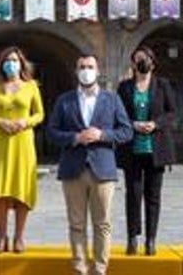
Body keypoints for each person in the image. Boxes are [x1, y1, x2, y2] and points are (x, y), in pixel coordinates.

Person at [47, 54, 133, 275]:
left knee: (102, 223)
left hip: (102, 169)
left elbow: (126, 131)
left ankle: (100, 268)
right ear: (76, 71)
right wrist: (75, 138)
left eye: (90, 66)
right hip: (73, 169)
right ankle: (79, 268)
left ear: (98, 70)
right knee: (76, 223)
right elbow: (52, 132)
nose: (86, 70)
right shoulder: (64, 100)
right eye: (82, 67)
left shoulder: (111, 99)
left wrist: (102, 134)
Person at [0, 46, 44, 253]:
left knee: (21, 189)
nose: (11, 64)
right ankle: (1, 236)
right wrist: (0, 122)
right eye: (7, 60)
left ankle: (19, 237)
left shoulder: (31, 86)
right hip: (0, 142)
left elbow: (40, 114)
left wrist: (26, 122)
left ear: (21, 63)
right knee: (0, 190)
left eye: (15, 60)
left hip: (23, 142)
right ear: (1, 64)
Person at [115, 45, 177, 256]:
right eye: (138, 58)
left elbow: (171, 113)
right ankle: (132, 238)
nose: (143, 62)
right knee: (133, 194)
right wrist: (132, 124)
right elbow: (119, 115)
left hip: (156, 148)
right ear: (133, 63)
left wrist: (155, 124)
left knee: (153, 196)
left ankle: (151, 239)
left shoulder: (163, 85)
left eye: (146, 58)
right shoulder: (124, 87)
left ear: (153, 61)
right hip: (131, 148)